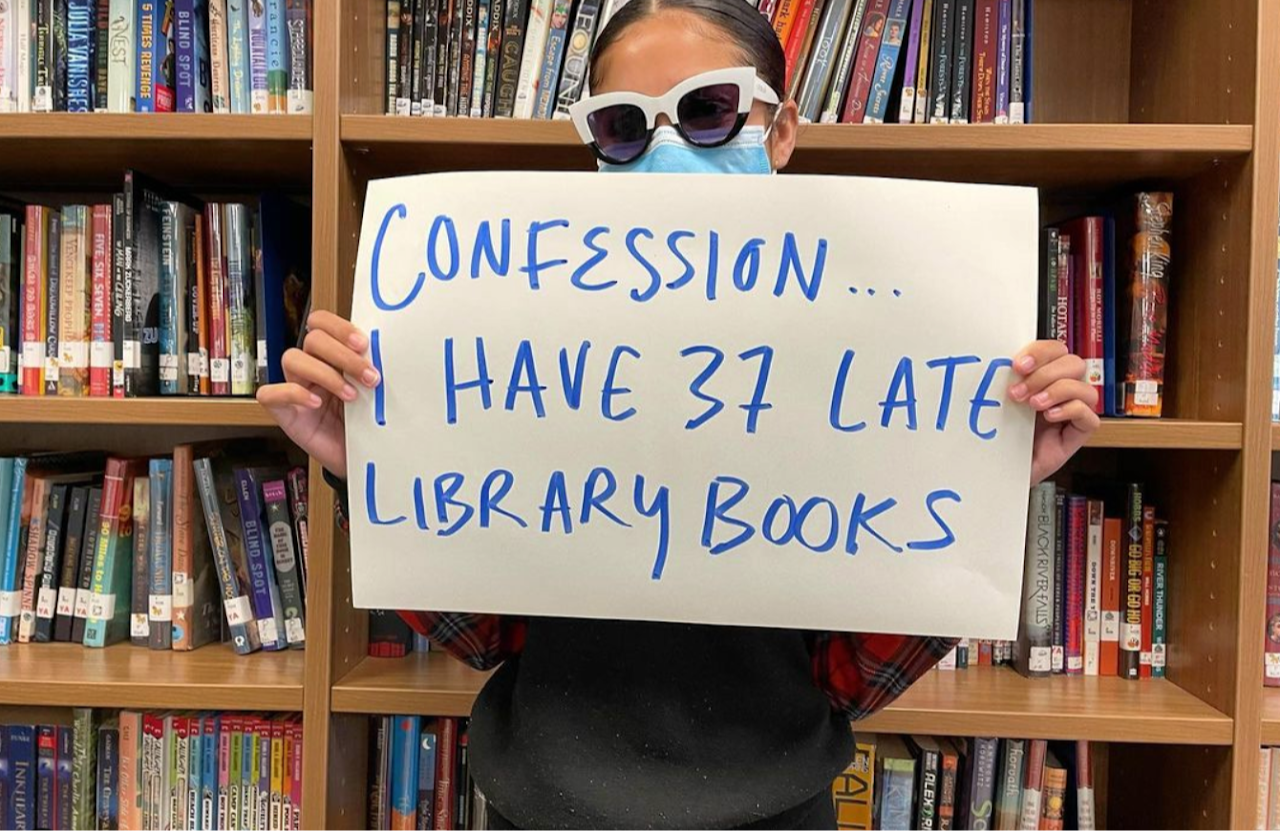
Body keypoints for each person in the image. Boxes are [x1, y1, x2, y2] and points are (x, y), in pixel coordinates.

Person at [256, 0, 1101, 827]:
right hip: (544, 802)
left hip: (774, 804)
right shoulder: (522, 340)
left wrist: (986, 477)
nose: (664, 149)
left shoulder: (873, 353)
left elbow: (852, 678)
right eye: (624, 125)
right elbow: (488, 635)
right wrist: (363, 461)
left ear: (780, 130)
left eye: (708, 110)